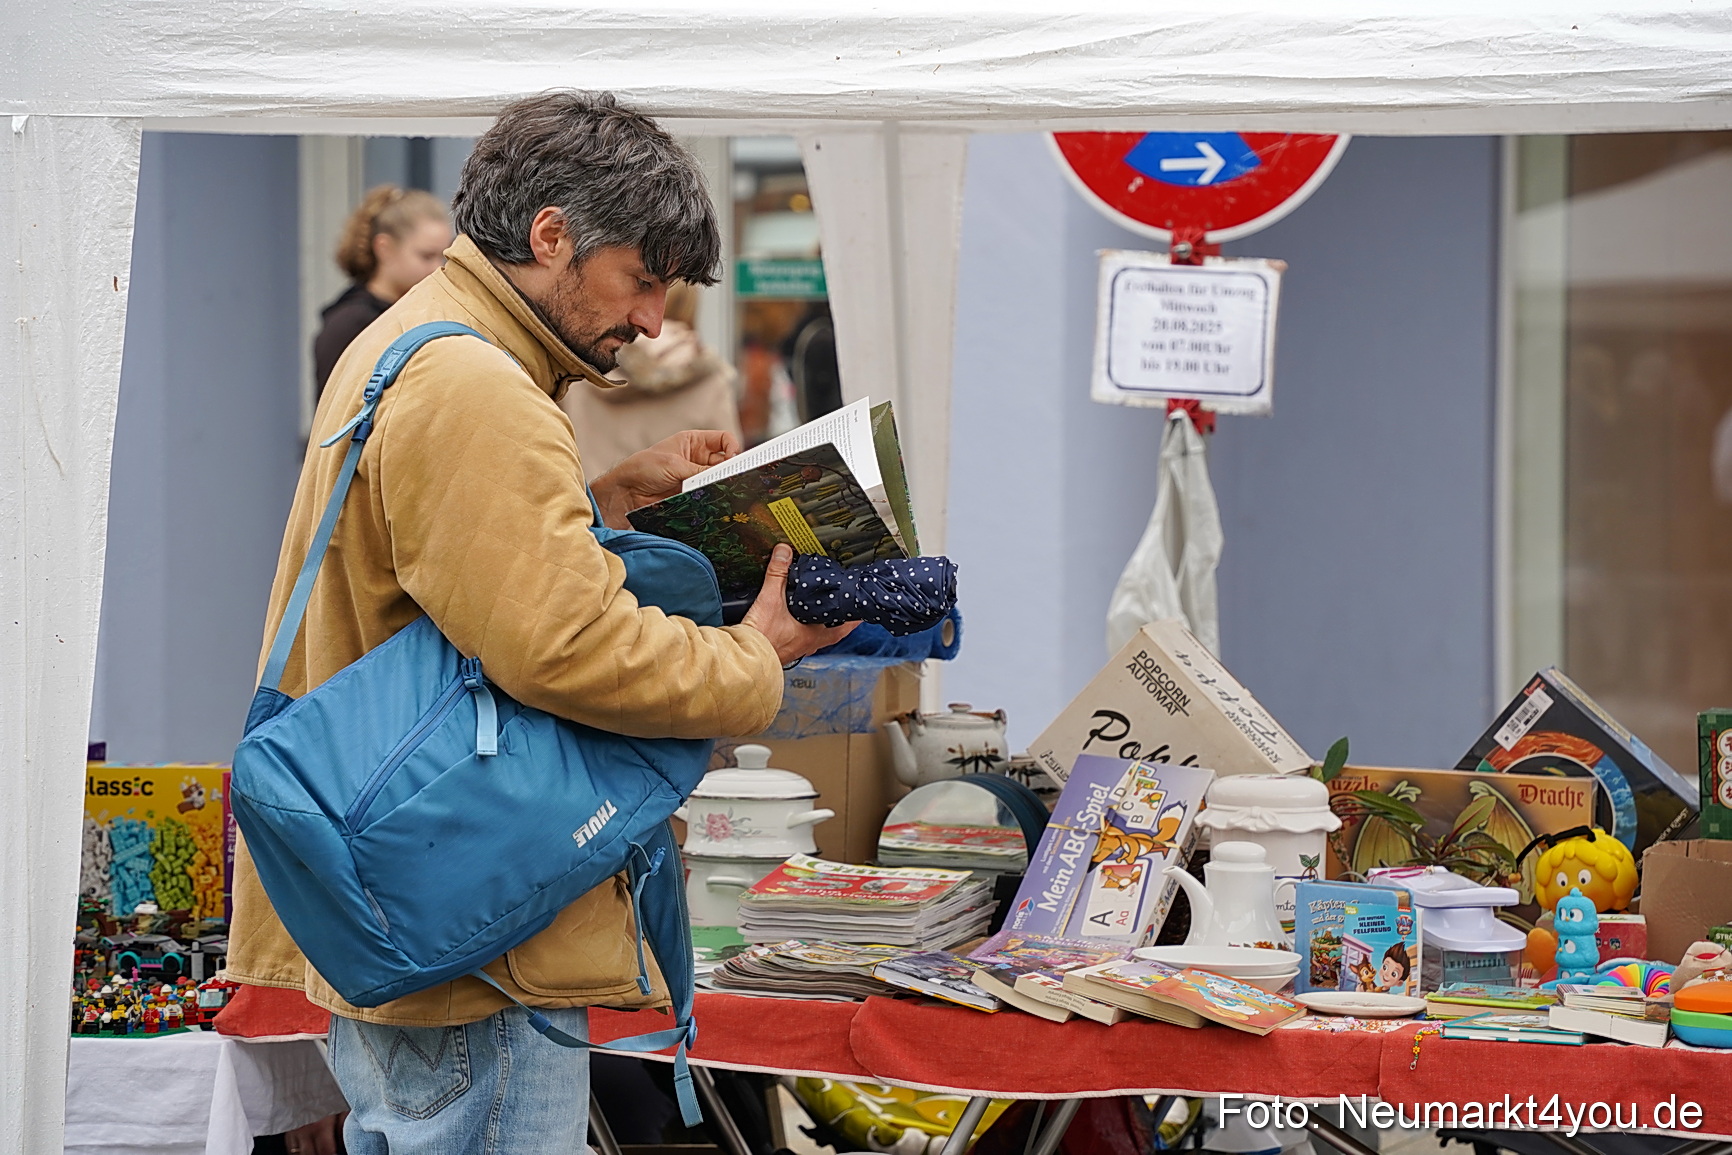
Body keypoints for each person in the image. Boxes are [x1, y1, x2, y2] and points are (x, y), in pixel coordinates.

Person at [227, 91, 853, 1154]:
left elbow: (443, 587)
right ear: (551, 234)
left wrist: (604, 503)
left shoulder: (421, 339)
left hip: (425, 899)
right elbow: (563, 648)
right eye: (640, 279)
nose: (652, 319)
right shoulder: (478, 385)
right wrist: (757, 658)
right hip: (474, 941)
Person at [560, 280, 743, 474]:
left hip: (589, 500)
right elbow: (729, 468)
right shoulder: (709, 378)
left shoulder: (582, 369)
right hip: (677, 503)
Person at [312, 185, 452, 394]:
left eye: (443, 256)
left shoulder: (426, 312)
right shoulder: (349, 324)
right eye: (426, 256)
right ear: (384, 248)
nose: (438, 268)